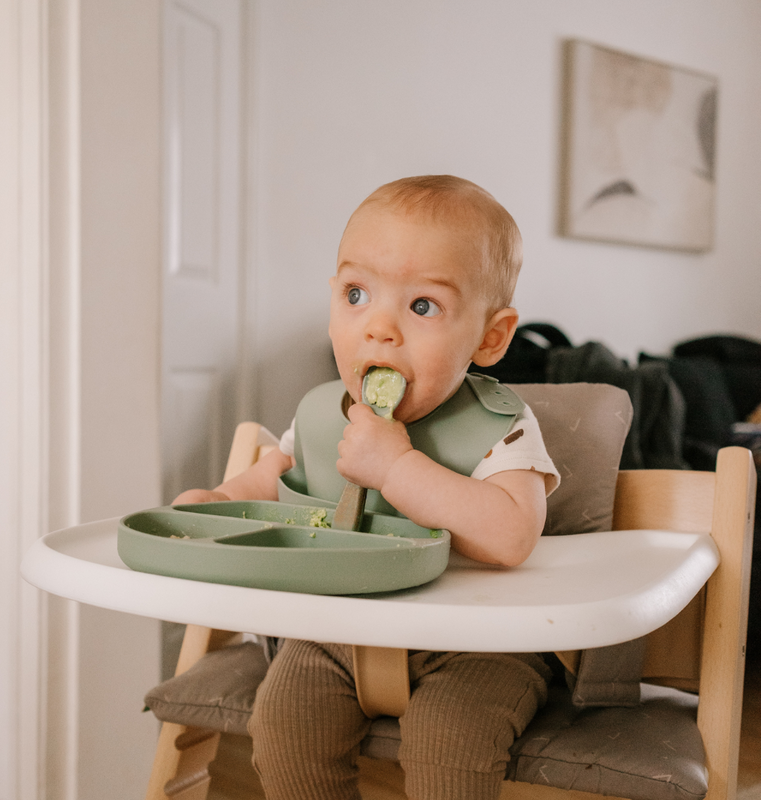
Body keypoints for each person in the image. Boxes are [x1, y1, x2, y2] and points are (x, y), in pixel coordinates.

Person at [174, 175, 560, 799]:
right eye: (357, 294)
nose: (379, 329)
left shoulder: (499, 425)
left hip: (476, 645)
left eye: (423, 306)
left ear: (490, 336)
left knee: (450, 746)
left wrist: (397, 469)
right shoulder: (325, 415)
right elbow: (274, 480)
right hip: (335, 631)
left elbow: (512, 535)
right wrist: (215, 506)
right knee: (283, 731)